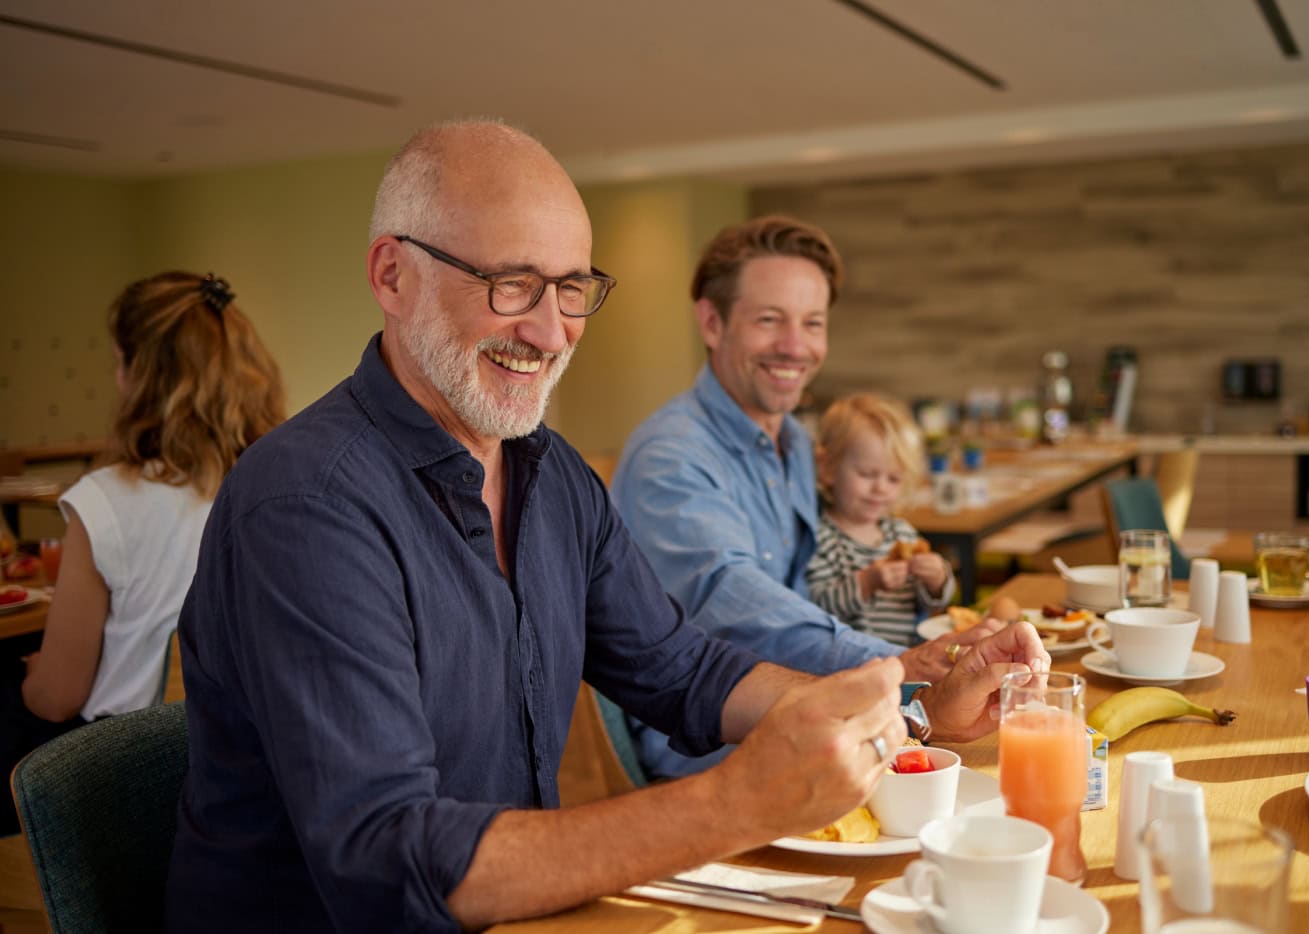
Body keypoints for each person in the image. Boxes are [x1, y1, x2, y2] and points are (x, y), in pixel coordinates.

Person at [165, 120, 1048, 932]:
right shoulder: (308, 505)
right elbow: (387, 864)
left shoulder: (551, 476)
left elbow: (685, 671)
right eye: (512, 284)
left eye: (574, 289)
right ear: (393, 275)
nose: (552, 332)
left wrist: (916, 711)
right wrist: (734, 805)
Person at [611, 215, 1018, 780]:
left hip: (808, 702)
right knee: (968, 769)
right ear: (711, 322)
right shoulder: (671, 456)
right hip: (710, 745)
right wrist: (889, 666)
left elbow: (822, 579)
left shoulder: (800, 445)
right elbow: (731, 598)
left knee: (998, 739)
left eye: (813, 323)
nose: (795, 347)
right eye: (769, 320)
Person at [1, 271, 284, 836]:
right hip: (246, 760)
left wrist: (35, 675)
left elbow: (58, 699)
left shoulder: (106, 501)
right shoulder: (280, 481)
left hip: (125, 768)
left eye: (118, 362)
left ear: (142, 375)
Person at [807, 393, 954, 647]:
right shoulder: (820, 538)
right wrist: (866, 583)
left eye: (893, 479)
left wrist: (938, 581)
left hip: (906, 662)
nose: (880, 488)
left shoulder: (902, 534)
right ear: (828, 468)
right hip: (848, 668)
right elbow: (816, 607)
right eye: (867, 474)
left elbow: (930, 603)